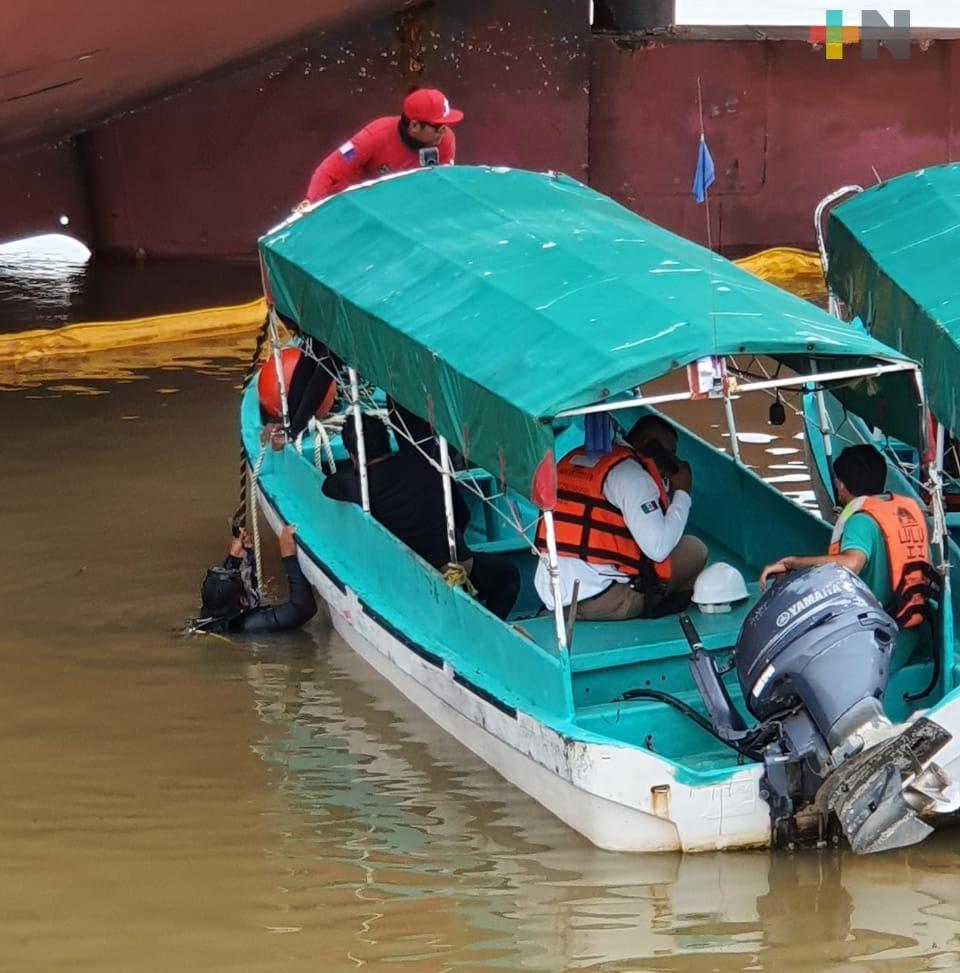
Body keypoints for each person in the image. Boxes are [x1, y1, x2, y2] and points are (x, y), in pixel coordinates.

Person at [322, 413, 519, 619]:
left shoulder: (355, 485)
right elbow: (463, 514)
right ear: (387, 439)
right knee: (509, 577)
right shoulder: (427, 465)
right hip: (454, 566)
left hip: (407, 577)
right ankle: (487, 627)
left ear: (353, 455)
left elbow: (327, 486)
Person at [533, 414, 707, 620]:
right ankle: (658, 615)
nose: (672, 462)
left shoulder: (573, 459)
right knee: (695, 550)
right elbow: (658, 549)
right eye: (668, 454)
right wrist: (683, 494)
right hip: (603, 603)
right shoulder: (634, 476)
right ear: (645, 444)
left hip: (553, 596)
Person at [759, 444, 935, 630]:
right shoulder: (906, 511)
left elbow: (851, 563)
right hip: (909, 626)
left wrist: (792, 563)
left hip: (877, 634)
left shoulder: (860, 521)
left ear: (841, 485)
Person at [300, 87, 464, 206]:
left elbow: (441, 187)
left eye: (446, 125)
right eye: (439, 127)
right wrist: (311, 204)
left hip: (404, 207)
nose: (445, 132)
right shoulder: (372, 138)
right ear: (414, 126)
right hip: (356, 204)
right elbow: (328, 170)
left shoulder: (446, 141)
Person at [191, 525, 317, 634]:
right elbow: (303, 607)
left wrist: (235, 558)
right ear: (244, 601)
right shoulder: (253, 624)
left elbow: (225, 590)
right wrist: (288, 556)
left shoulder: (210, 612)